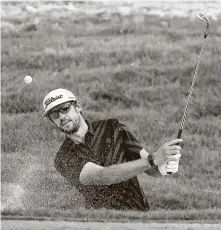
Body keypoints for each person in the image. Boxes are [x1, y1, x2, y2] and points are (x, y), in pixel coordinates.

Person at [42, 88, 182, 211]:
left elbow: (150, 169)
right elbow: (103, 176)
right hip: (103, 222)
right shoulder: (63, 157)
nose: (61, 116)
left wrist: (164, 167)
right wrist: (152, 159)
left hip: (139, 217)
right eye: (54, 114)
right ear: (51, 120)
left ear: (78, 106)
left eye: (65, 108)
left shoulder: (113, 128)